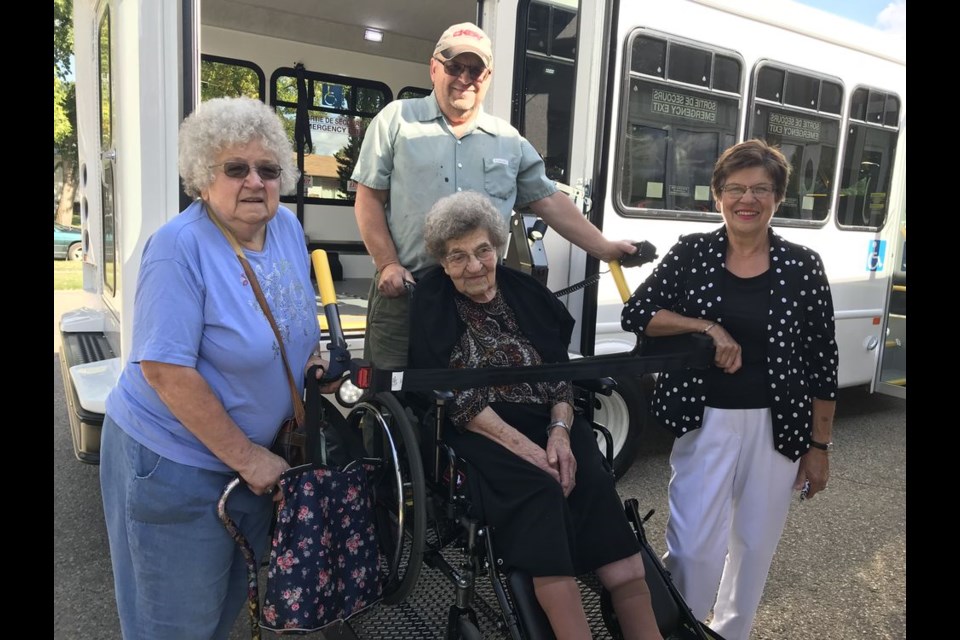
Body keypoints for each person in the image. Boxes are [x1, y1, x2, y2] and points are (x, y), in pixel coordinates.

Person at [99, 96, 340, 640]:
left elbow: (292, 321)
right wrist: (249, 458)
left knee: (226, 606)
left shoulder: (286, 232)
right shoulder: (177, 248)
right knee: (176, 623)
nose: (255, 182)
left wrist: (312, 361)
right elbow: (166, 372)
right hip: (174, 465)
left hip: (252, 465)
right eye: (236, 169)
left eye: (268, 170)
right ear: (204, 177)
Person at [409, 191, 663, 640]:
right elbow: (449, 394)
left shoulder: (523, 289)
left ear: (498, 247)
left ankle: (647, 632)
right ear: (442, 263)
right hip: (478, 424)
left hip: (548, 417)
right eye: (458, 257)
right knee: (541, 490)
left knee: (594, 482)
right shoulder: (430, 300)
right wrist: (530, 450)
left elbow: (558, 370)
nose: (474, 266)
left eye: (483, 250)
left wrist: (560, 432)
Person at [620, 139, 838, 640]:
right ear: (717, 194)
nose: (748, 199)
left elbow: (823, 361)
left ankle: (731, 633)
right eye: (736, 188)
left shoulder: (803, 265)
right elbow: (640, 314)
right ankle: (683, 629)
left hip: (779, 425)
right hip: (705, 419)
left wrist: (819, 446)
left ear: (777, 198)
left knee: (754, 545)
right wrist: (706, 327)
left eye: (761, 189)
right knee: (694, 546)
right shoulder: (693, 253)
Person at [351, 21, 636, 369]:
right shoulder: (396, 120)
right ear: (434, 68)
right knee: (390, 391)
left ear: (487, 77)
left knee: (474, 398)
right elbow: (368, 200)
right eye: (454, 66)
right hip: (406, 289)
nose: (464, 78)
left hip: (478, 293)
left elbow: (549, 201)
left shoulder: (509, 140)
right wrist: (388, 264)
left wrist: (604, 248)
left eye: (476, 70)